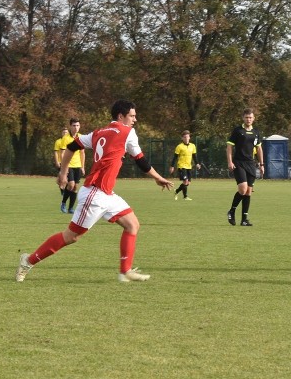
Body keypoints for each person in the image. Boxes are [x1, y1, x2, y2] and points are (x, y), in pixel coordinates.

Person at [16, 100, 173, 283]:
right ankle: (28, 260)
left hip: (106, 194)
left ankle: (125, 271)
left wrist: (63, 172)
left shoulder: (98, 133)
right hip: (95, 193)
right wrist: (157, 177)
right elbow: (140, 160)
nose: (135, 119)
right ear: (121, 116)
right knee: (71, 236)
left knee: (132, 224)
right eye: (132, 115)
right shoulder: (127, 132)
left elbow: (72, 147)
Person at [226, 108, 264, 226]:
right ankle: (231, 211)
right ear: (243, 118)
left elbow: (258, 149)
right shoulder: (238, 131)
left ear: (254, 119)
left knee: (248, 192)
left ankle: (244, 220)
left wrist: (262, 164)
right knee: (242, 189)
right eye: (247, 117)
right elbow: (229, 147)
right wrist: (230, 162)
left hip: (250, 163)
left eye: (250, 117)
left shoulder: (256, 132)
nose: (249, 119)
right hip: (239, 162)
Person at [54, 118, 85, 213]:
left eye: (77, 125)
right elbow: (62, 154)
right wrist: (64, 168)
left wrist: (82, 167)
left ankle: (71, 208)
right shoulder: (65, 139)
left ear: (80, 126)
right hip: (69, 165)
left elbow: (82, 153)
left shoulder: (81, 137)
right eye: (74, 126)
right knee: (70, 185)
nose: (76, 128)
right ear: (70, 126)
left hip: (78, 165)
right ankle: (63, 202)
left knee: (75, 187)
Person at [169, 130, 200, 200]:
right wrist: (172, 166)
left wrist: (197, 163)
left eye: (187, 137)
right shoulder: (179, 146)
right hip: (181, 166)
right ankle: (185, 197)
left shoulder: (193, 146)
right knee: (185, 181)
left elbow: (194, 156)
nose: (186, 138)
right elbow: (175, 157)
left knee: (188, 183)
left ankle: (176, 191)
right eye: (184, 137)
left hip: (189, 166)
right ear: (182, 138)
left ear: (189, 138)